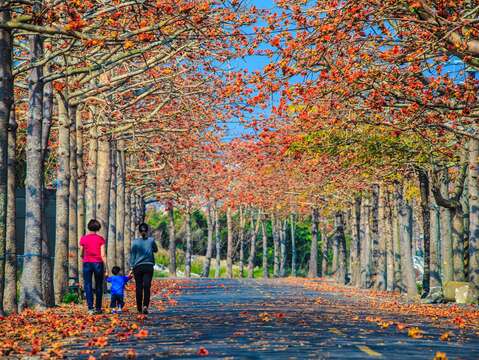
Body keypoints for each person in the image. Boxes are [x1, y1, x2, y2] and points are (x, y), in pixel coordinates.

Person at [80, 219, 107, 315]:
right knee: (99, 285)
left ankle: (90, 308)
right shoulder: (100, 239)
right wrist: (106, 268)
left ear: (88, 227)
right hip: (98, 263)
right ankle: (98, 308)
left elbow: (82, 253)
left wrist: (83, 256)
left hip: (87, 263)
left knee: (87, 285)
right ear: (98, 228)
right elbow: (103, 254)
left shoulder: (83, 238)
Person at [130, 223, 158, 314]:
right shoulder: (151, 240)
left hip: (137, 267)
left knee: (139, 287)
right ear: (147, 230)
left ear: (139, 231)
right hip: (148, 266)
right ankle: (145, 305)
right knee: (147, 286)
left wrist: (131, 267)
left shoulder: (134, 242)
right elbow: (155, 250)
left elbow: (133, 255)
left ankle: (139, 308)